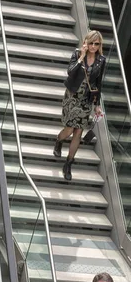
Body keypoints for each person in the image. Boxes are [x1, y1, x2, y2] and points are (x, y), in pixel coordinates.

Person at [53, 30, 106, 181]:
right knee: (69, 129)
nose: (94, 46)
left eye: (97, 44)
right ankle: (58, 140)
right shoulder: (77, 54)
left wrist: (96, 104)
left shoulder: (101, 60)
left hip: (86, 100)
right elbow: (70, 72)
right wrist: (81, 57)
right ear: (86, 42)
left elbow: (98, 83)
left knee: (78, 132)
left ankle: (68, 163)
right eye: (91, 43)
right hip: (72, 96)